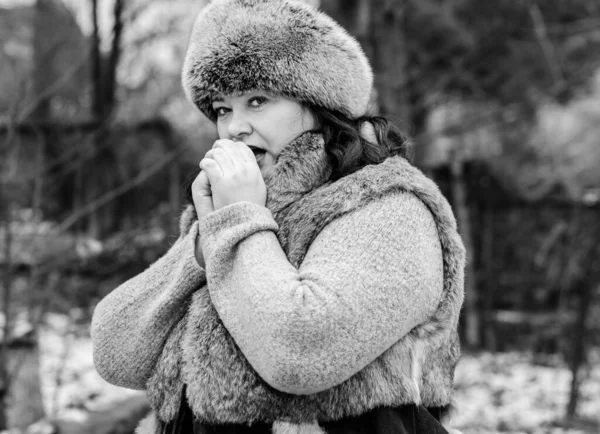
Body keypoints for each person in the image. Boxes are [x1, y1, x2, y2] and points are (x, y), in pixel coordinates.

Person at [91, 0, 466, 433]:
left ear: (320, 103)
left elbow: (300, 353)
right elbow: (114, 355)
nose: (233, 128)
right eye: (222, 109)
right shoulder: (240, 216)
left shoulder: (387, 206)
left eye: (257, 100)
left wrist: (237, 222)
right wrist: (200, 245)